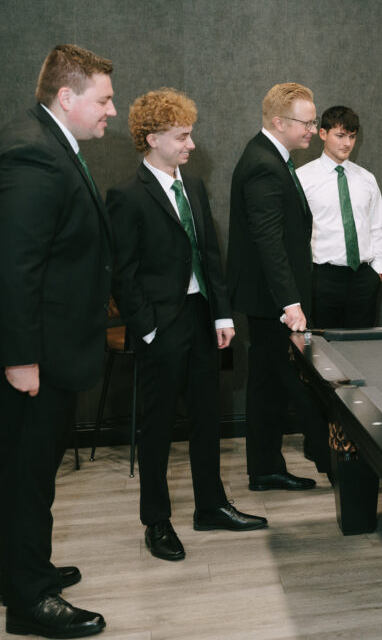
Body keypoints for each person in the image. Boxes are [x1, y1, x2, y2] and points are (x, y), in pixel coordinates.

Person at [106, 89, 268, 563]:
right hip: (161, 326)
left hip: (202, 321)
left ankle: (211, 505)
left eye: (190, 134)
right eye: (182, 136)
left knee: (206, 416)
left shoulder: (193, 187)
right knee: (157, 428)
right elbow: (123, 273)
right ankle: (156, 521)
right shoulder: (126, 195)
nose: (191, 145)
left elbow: (209, 253)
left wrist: (221, 313)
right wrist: (149, 329)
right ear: (152, 138)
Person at [0, 44, 114, 638]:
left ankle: (24, 569)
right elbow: (15, 265)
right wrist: (20, 358)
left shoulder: (49, 144)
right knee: (27, 477)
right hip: (35, 357)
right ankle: (29, 601)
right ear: (66, 98)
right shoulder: (33, 153)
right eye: (104, 100)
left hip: (51, 351)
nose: (112, 112)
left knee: (32, 474)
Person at [226, 83, 329, 491]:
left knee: (266, 387)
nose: (312, 129)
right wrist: (291, 302)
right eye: (307, 122)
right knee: (299, 385)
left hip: (270, 300)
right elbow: (268, 240)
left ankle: (264, 469)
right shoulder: (263, 163)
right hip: (273, 303)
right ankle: (337, 465)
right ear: (278, 121)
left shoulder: (272, 156)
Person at [296, 105, 382, 328]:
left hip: (363, 279)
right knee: (322, 349)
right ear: (323, 134)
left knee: (362, 349)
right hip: (322, 278)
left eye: (352, 136)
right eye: (340, 135)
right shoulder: (302, 178)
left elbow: (378, 227)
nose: (347, 143)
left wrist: (378, 271)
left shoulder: (367, 179)